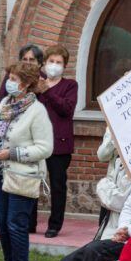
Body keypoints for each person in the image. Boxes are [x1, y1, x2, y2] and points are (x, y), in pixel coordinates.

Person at [0, 60, 54, 261]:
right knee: (2, 224)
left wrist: (14, 153)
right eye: (8, 78)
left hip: (23, 176)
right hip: (1, 175)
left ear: (27, 84)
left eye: (14, 79)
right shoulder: (4, 103)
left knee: (16, 224)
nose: (9, 83)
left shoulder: (37, 110)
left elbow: (45, 147)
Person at [36, 45, 78, 237]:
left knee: (57, 186)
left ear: (64, 66)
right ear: (44, 64)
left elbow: (66, 109)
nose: (54, 65)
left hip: (59, 145)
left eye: (58, 62)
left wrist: (48, 92)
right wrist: (38, 89)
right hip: (36, 142)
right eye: (51, 61)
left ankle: (54, 225)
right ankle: (29, 222)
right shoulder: (37, 83)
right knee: (31, 182)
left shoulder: (70, 85)